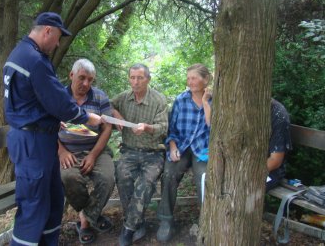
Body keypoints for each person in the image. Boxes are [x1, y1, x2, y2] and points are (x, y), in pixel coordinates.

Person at [3, 12, 102, 246]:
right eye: (57, 37)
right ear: (47, 30)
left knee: (53, 201)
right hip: (32, 144)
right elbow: (60, 103)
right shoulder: (34, 60)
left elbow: (36, 100)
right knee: (33, 208)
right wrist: (87, 117)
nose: (58, 44)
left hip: (40, 141)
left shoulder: (21, 54)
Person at [58, 58, 115, 244]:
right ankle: (90, 215)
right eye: (82, 78)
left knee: (107, 179)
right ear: (71, 75)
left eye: (90, 80)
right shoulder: (57, 96)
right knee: (68, 178)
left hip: (96, 149)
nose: (86, 84)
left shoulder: (99, 97)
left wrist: (93, 155)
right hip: (68, 151)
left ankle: (85, 220)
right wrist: (61, 151)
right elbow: (47, 127)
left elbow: (107, 128)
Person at [111, 63, 168, 246]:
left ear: (148, 79)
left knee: (146, 184)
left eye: (140, 78)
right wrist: (116, 114)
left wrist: (147, 127)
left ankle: (128, 230)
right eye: (132, 77)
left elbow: (163, 128)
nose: (135, 82)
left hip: (153, 153)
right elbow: (106, 105)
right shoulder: (123, 98)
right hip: (129, 151)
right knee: (122, 176)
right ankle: (137, 222)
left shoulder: (158, 100)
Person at [156, 63, 212, 242]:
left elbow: (213, 128)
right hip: (181, 146)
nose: (190, 82)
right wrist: (172, 147)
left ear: (206, 79)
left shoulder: (215, 100)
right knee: (169, 173)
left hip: (203, 149)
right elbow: (171, 129)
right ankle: (166, 220)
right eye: (188, 78)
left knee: (204, 178)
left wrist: (205, 103)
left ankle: (206, 224)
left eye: (194, 78)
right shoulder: (181, 99)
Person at [266, 98, 292, 192]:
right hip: (239, 167)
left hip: (269, 171)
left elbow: (275, 161)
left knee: (239, 189)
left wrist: (245, 174)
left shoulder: (278, 114)